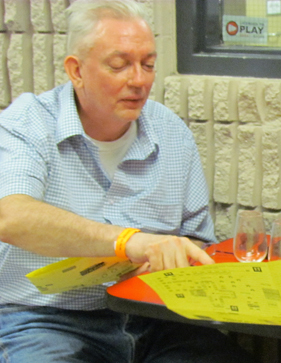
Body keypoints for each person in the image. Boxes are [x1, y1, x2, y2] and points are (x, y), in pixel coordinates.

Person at [0, 1, 258, 362]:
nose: (138, 80)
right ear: (76, 70)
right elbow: (11, 217)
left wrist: (174, 260)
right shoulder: (28, 123)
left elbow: (199, 242)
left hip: (156, 316)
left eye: (148, 65)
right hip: (47, 319)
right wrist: (130, 243)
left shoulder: (170, 132)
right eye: (119, 65)